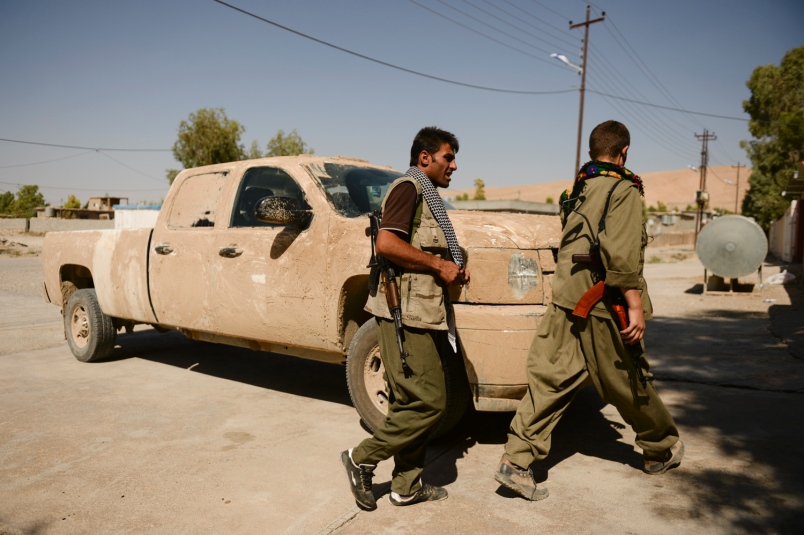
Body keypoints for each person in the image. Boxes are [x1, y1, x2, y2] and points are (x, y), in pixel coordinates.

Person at [495, 120, 683, 501]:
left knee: (549, 379)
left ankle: (515, 461)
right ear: (624, 152)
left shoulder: (577, 189)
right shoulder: (624, 190)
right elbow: (622, 254)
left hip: (568, 297)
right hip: (602, 303)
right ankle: (659, 449)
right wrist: (634, 306)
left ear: (593, 151)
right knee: (628, 379)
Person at [341, 126, 469, 510]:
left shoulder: (427, 195)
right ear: (425, 157)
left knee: (407, 402)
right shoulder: (408, 188)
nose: (455, 165)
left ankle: (406, 485)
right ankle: (361, 457)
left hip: (420, 310)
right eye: (449, 157)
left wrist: (454, 264)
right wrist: (438, 264)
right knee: (431, 401)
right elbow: (387, 243)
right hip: (405, 313)